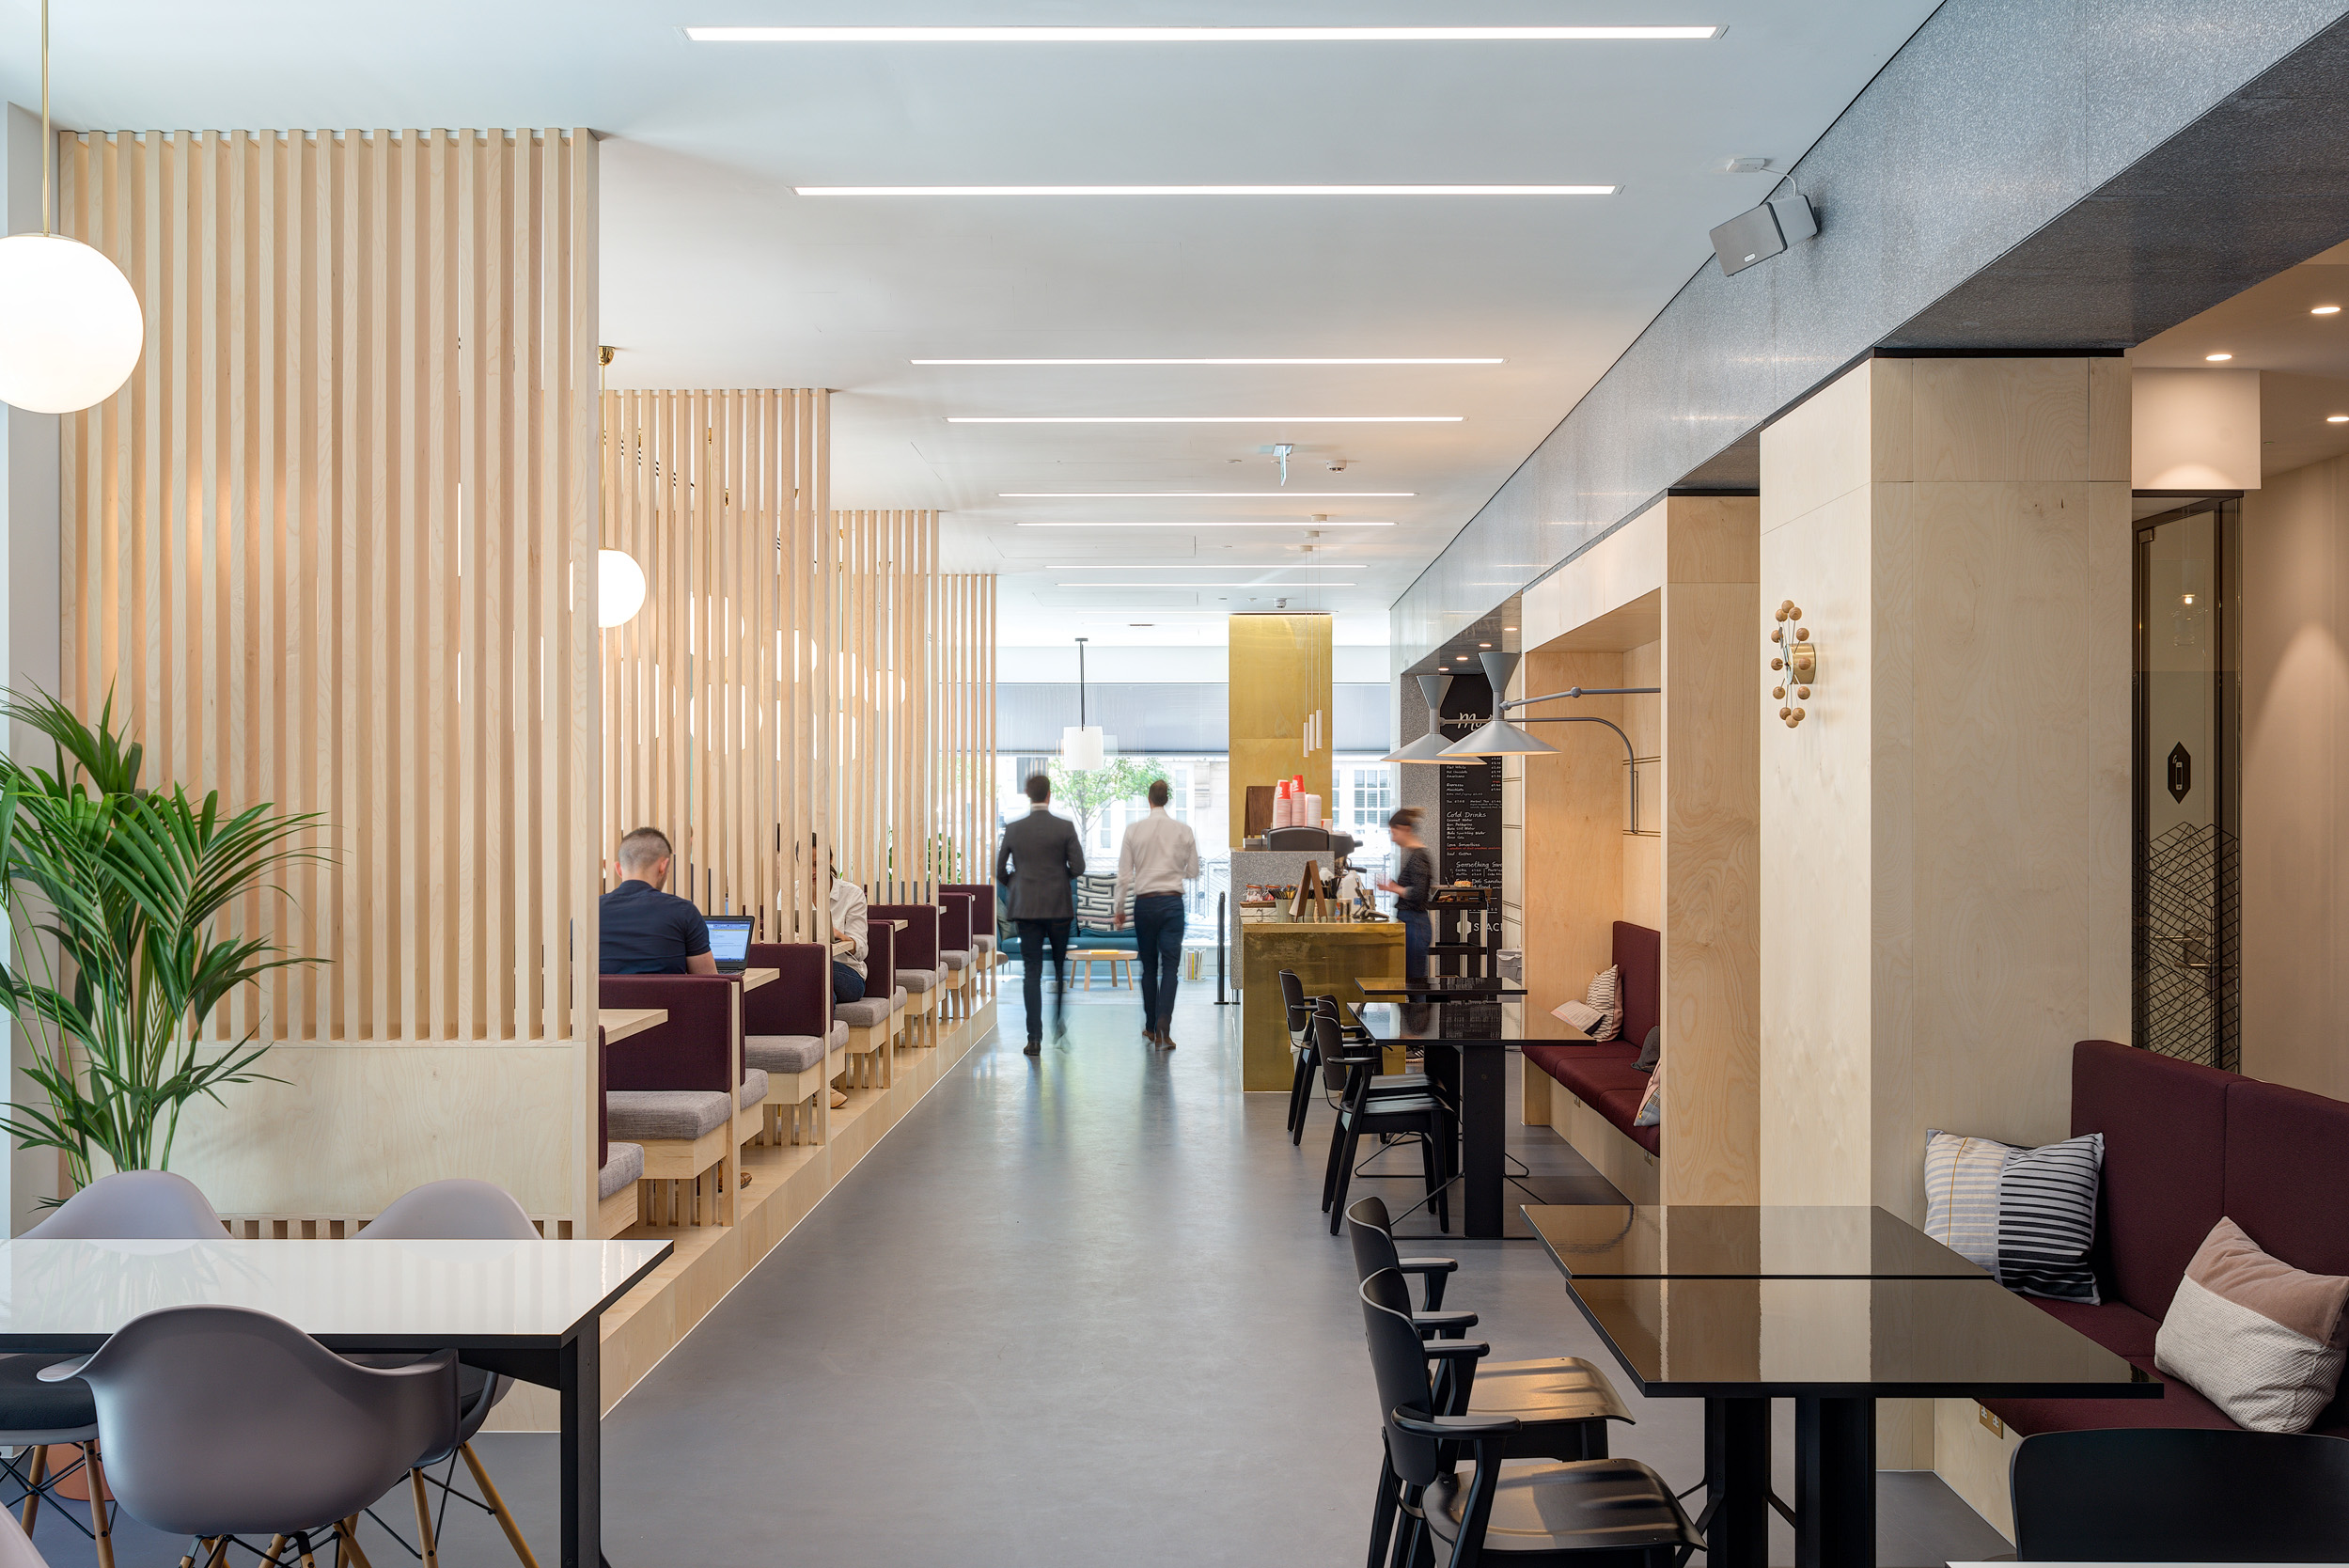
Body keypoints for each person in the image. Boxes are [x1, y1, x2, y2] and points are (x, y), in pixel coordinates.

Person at [996, 773, 1086, 1056]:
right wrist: (1061, 877)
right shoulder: (1065, 827)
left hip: (1027, 908)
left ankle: (1034, 1038)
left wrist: (1017, 883)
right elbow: (1079, 867)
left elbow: (999, 870)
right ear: (1049, 795)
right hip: (1058, 906)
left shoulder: (1013, 828)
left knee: (1031, 972)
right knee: (1059, 970)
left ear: (1028, 794)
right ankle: (1059, 1023)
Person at [1112, 777, 1200, 1049]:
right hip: (1173, 904)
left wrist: (1119, 909)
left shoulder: (1133, 830)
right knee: (1171, 968)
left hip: (1145, 905)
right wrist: (1175, 871)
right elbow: (1195, 872)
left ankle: (1150, 1027)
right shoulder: (1183, 830)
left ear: (1149, 800)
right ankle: (1165, 1021)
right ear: (1167, 800)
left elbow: (1124, 876)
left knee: (1149, 968)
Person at [600, 827, 715, 974]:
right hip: (667, 997)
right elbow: (710, 984)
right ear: (663, 866)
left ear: (618, 869)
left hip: (605, 998)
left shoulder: (587, 915)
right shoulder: (684, 912)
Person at [1378, 808, 1434, 980]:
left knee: (1414, 981)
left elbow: (1419, 893)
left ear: (1405, 829)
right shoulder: (1415, 855)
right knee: (1410, 980)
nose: (1393, 838)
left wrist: (1393, 888)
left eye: (1393, 833)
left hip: (1415, 924)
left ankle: (1417, 1009)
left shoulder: (1419, 857)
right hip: (1412, 923)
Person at [828, 857, 868, 1005]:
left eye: (816, 864)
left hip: (848, 974)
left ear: (830, 860)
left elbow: (862, 950)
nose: (813, 871)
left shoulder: (852, 894)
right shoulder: (789, 894)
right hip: (808, 970)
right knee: (820, 989)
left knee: (815, 968)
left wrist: (839, 936)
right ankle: (824, 1027)